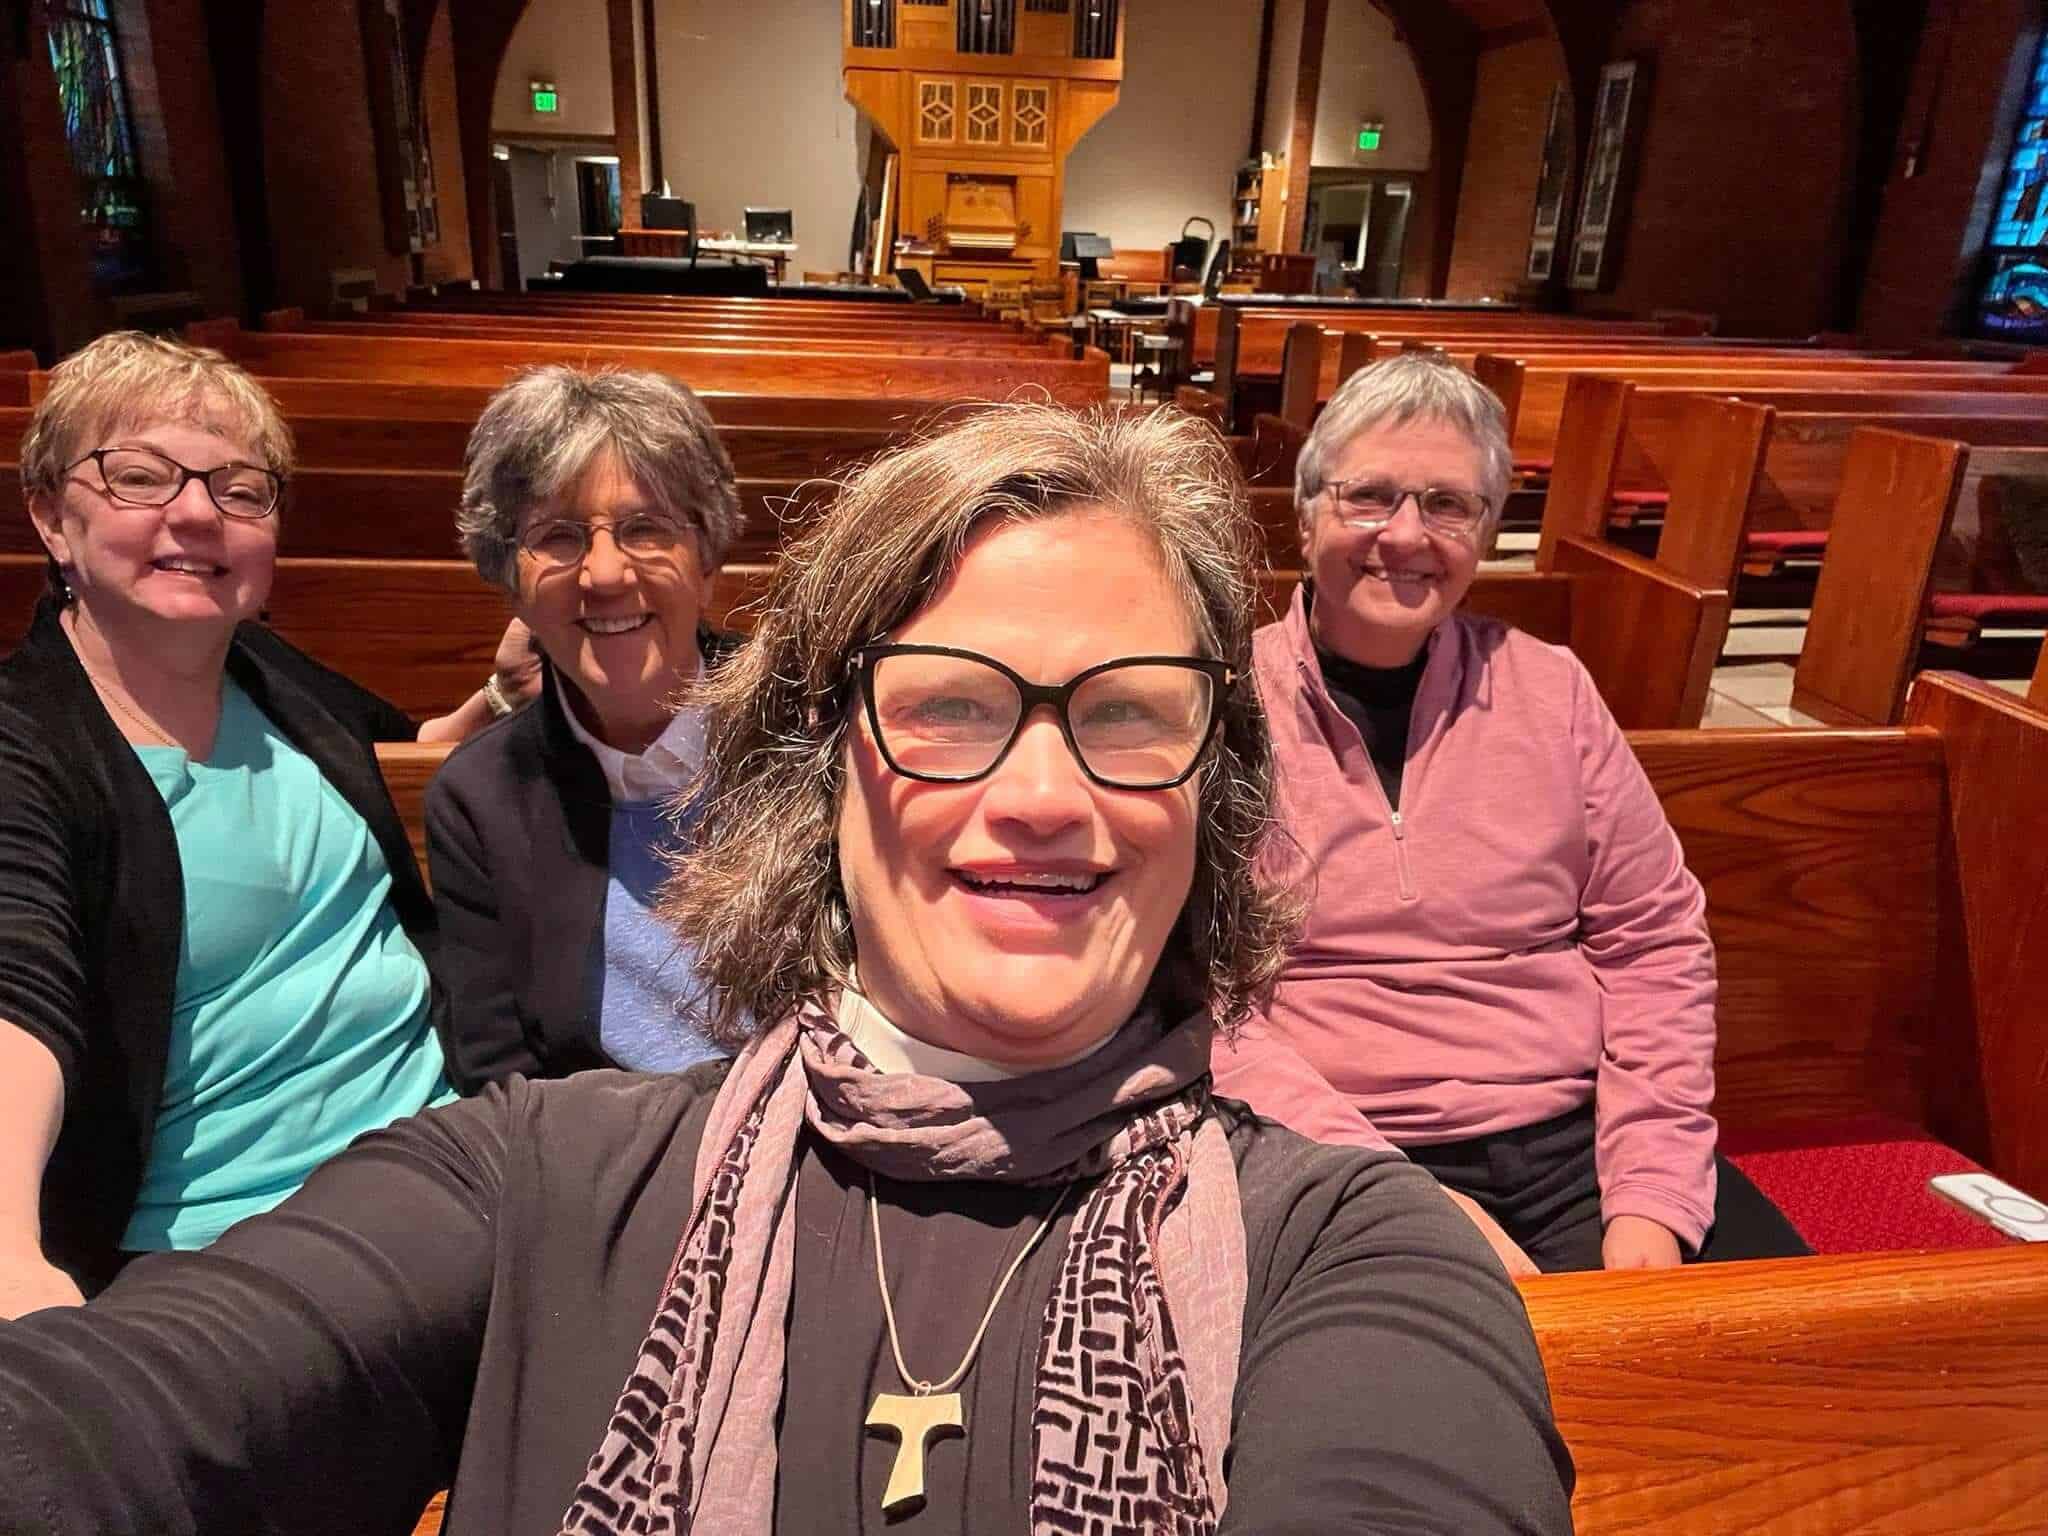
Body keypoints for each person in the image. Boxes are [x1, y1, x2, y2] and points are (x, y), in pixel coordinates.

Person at [0, 404, 1574, 1533]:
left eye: (1130, 709)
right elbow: (118, 1424)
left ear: (1210, 796)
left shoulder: (1357, 1247)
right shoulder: (537, 1181)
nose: (1042, 793)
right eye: (949, 704)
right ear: (821, 774)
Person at [1214, 351, 1807, 1275]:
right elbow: (1195, 997)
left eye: (1450, 505)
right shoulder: (1221, 704)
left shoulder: (1551, 689)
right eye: (1369, 496)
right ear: (1306, 508)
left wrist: (1649, 1199)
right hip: (1329, 1140)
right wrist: (1402, 1201)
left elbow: (1654, 943)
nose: (1407, 535)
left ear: (1489, 530)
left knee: (1788, 1367)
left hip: (1576, 1137)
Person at [0, 332, 478, 1319]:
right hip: (228, 1252)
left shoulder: (266, 671)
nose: (195, 513)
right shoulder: (27, 746)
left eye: (239, 489)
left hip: (450, 1149)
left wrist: (508, 694)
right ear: (51, 515)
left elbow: (410, 742)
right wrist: (8, 1245)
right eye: (139, 477)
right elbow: (18, 986)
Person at [426, 367, 745, 1089]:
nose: (603, 574)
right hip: (610, 1160)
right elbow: (499, 1074)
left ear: (707, 561)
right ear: (511, 580)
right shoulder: (477, 798)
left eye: (645, 528)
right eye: (559, 537)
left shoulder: (817, 727)